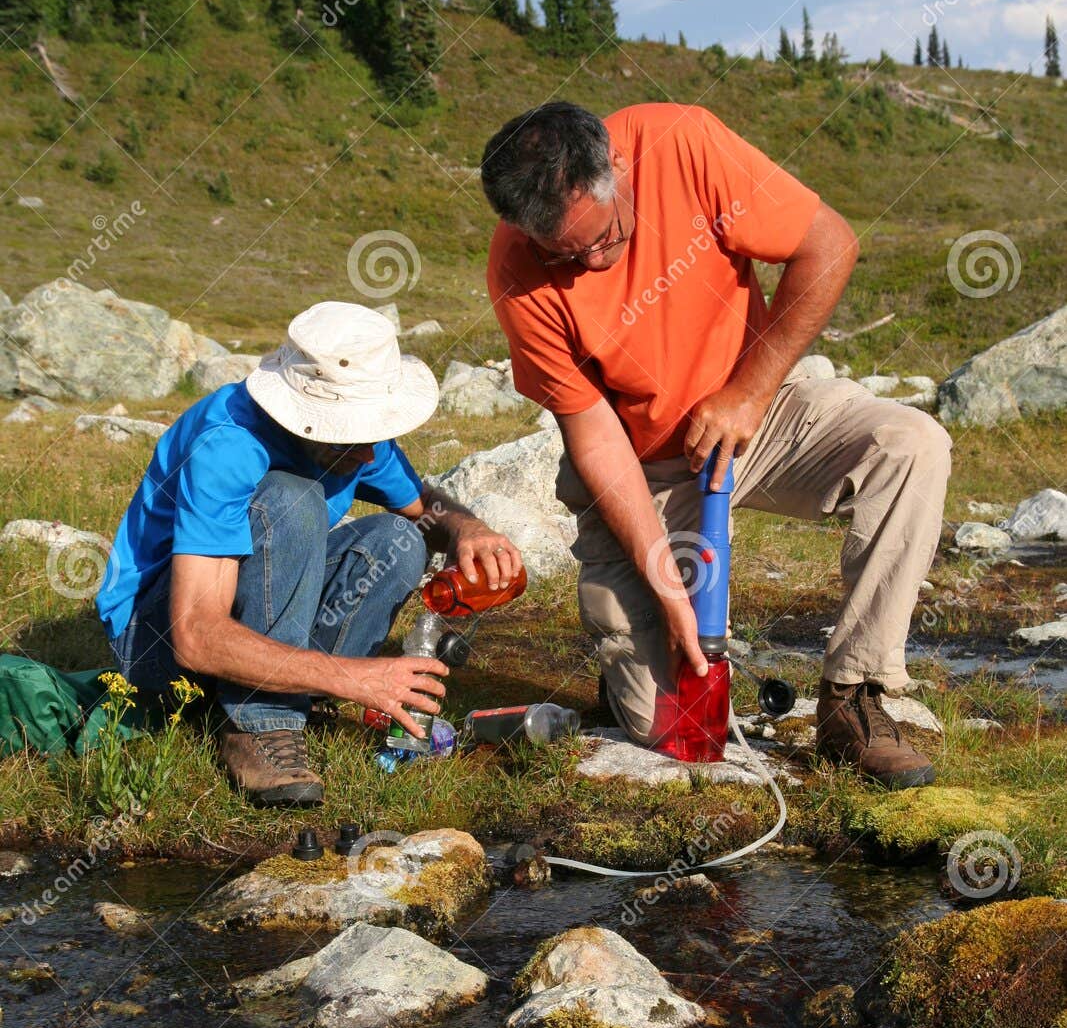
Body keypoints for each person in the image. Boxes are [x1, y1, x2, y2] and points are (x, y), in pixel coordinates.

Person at [482, 101, 952, 788]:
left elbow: (829, 244)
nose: (590, 262)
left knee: (910, 444)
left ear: (616, 163)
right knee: (673, 729)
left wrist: (749, 392)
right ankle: (626, 673)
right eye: (565, 252)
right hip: (643, 468)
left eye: (605, 237)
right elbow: (593, 434)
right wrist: (666, 586)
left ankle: (855, 696)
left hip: (753, 417)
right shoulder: (515, 269)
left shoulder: (681, 141)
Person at [97, 301, 523, 805]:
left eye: (374, 434)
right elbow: (194, 637)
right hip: (153, 643)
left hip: (235, 622)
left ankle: (293, 693)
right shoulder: (228, 445)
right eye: (354, 438)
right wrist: (355, 676)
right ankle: (261, 725)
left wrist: (467, 529)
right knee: (292, 500)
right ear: (305, 419)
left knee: (398, 539)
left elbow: (422, 508)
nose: (369, 455)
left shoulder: (356, 439)